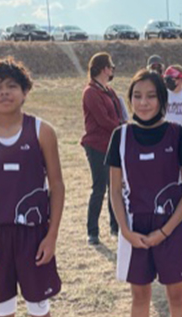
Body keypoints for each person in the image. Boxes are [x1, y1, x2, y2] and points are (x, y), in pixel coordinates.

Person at [0, 57, 67, 317]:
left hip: (33, 231)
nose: (5, 92)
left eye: (12, 86)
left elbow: (56, 185)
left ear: (25, 92)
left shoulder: (42, 131)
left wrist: (51, 234)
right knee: (2, 307)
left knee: (39, 307)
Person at [108, 69, 182, 317]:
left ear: (162, 99)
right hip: (134, 227)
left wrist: (164, 231)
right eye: (137, 96)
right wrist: (125, 231)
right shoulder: (120, 136)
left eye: (150, 96)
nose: (143, 102)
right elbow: (114, 190)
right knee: (139, 296)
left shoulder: (178, 135)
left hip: (171, 226)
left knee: (177, 296)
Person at [82, 53, 126, 245]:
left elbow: (119, 112)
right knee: (99, 188)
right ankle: (93, 231)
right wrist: (121, 126)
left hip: (112, 143)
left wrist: (124, 124)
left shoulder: (109, 91)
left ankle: (115, 227)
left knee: (114, 187)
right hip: (97, 145)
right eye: (111, 66)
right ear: (103, 68)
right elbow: (102, 120)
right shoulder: (90, 92)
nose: (112, 69)